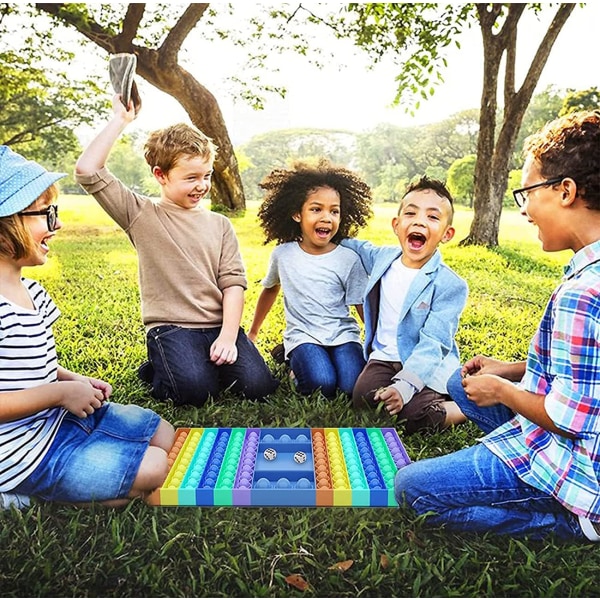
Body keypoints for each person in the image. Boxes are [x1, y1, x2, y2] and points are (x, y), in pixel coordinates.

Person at [395, 110, 600, 541]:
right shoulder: (587, 269)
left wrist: (503, 391)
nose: (524, 210)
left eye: (526, 193)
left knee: (412, 489)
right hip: (572, 438)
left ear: (565, 191)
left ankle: (573, 522)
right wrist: (508, 370)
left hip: (577, 465)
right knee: (458, 384)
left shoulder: (585, 293)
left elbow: (572, 419)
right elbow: (586, 375)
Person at [75, 95, 279, 408]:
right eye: (191, 178)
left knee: (259, 387)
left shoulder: (220, 224)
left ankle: (198, 363)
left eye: (207, 175)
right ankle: (160, 366)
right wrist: (121, 120)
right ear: (161, 175)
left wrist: (227, 336)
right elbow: (88, 171)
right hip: (172, 328)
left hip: (217, 325)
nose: (202, 185)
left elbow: (233, 284)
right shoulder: (140, 214)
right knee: (195, 393)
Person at [0, 145, 175, 508]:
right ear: (7, 225)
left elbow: (31, 365)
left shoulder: (31, 291)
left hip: (57, 421)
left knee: (163, 434)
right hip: (21, 453)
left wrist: (70, 381)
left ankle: (81, 481)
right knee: (154, 469)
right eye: (45, 215)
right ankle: (22, 494)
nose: (58, 224)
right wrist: (58, 394)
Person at [341, 176, 468, 434]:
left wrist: (405, 386)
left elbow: (434, 343)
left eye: (433, 217)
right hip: (384, 358)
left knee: (412, 415)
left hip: (425, 363)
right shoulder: (383, 258)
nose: (420, 221)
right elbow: (353, 245)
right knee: (364, 401)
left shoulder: (450, 284)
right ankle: (406, 396)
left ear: (447, 234)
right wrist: (322, 232)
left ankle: (461, 407)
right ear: (397, 225)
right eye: (411, 213)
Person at [248, 159, 372, 398]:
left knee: (350, 387)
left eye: (334, 211)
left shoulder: (348, 258)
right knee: (321, 384)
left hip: (343, 335)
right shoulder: (283, 254)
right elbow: (270, 289)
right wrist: (253, 333)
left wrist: (379, 343)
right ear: (297, 214)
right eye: (316, 209)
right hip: (303, 335)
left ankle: (298, 358)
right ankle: (294, 364)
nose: (327, 217)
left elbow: (360, 304)